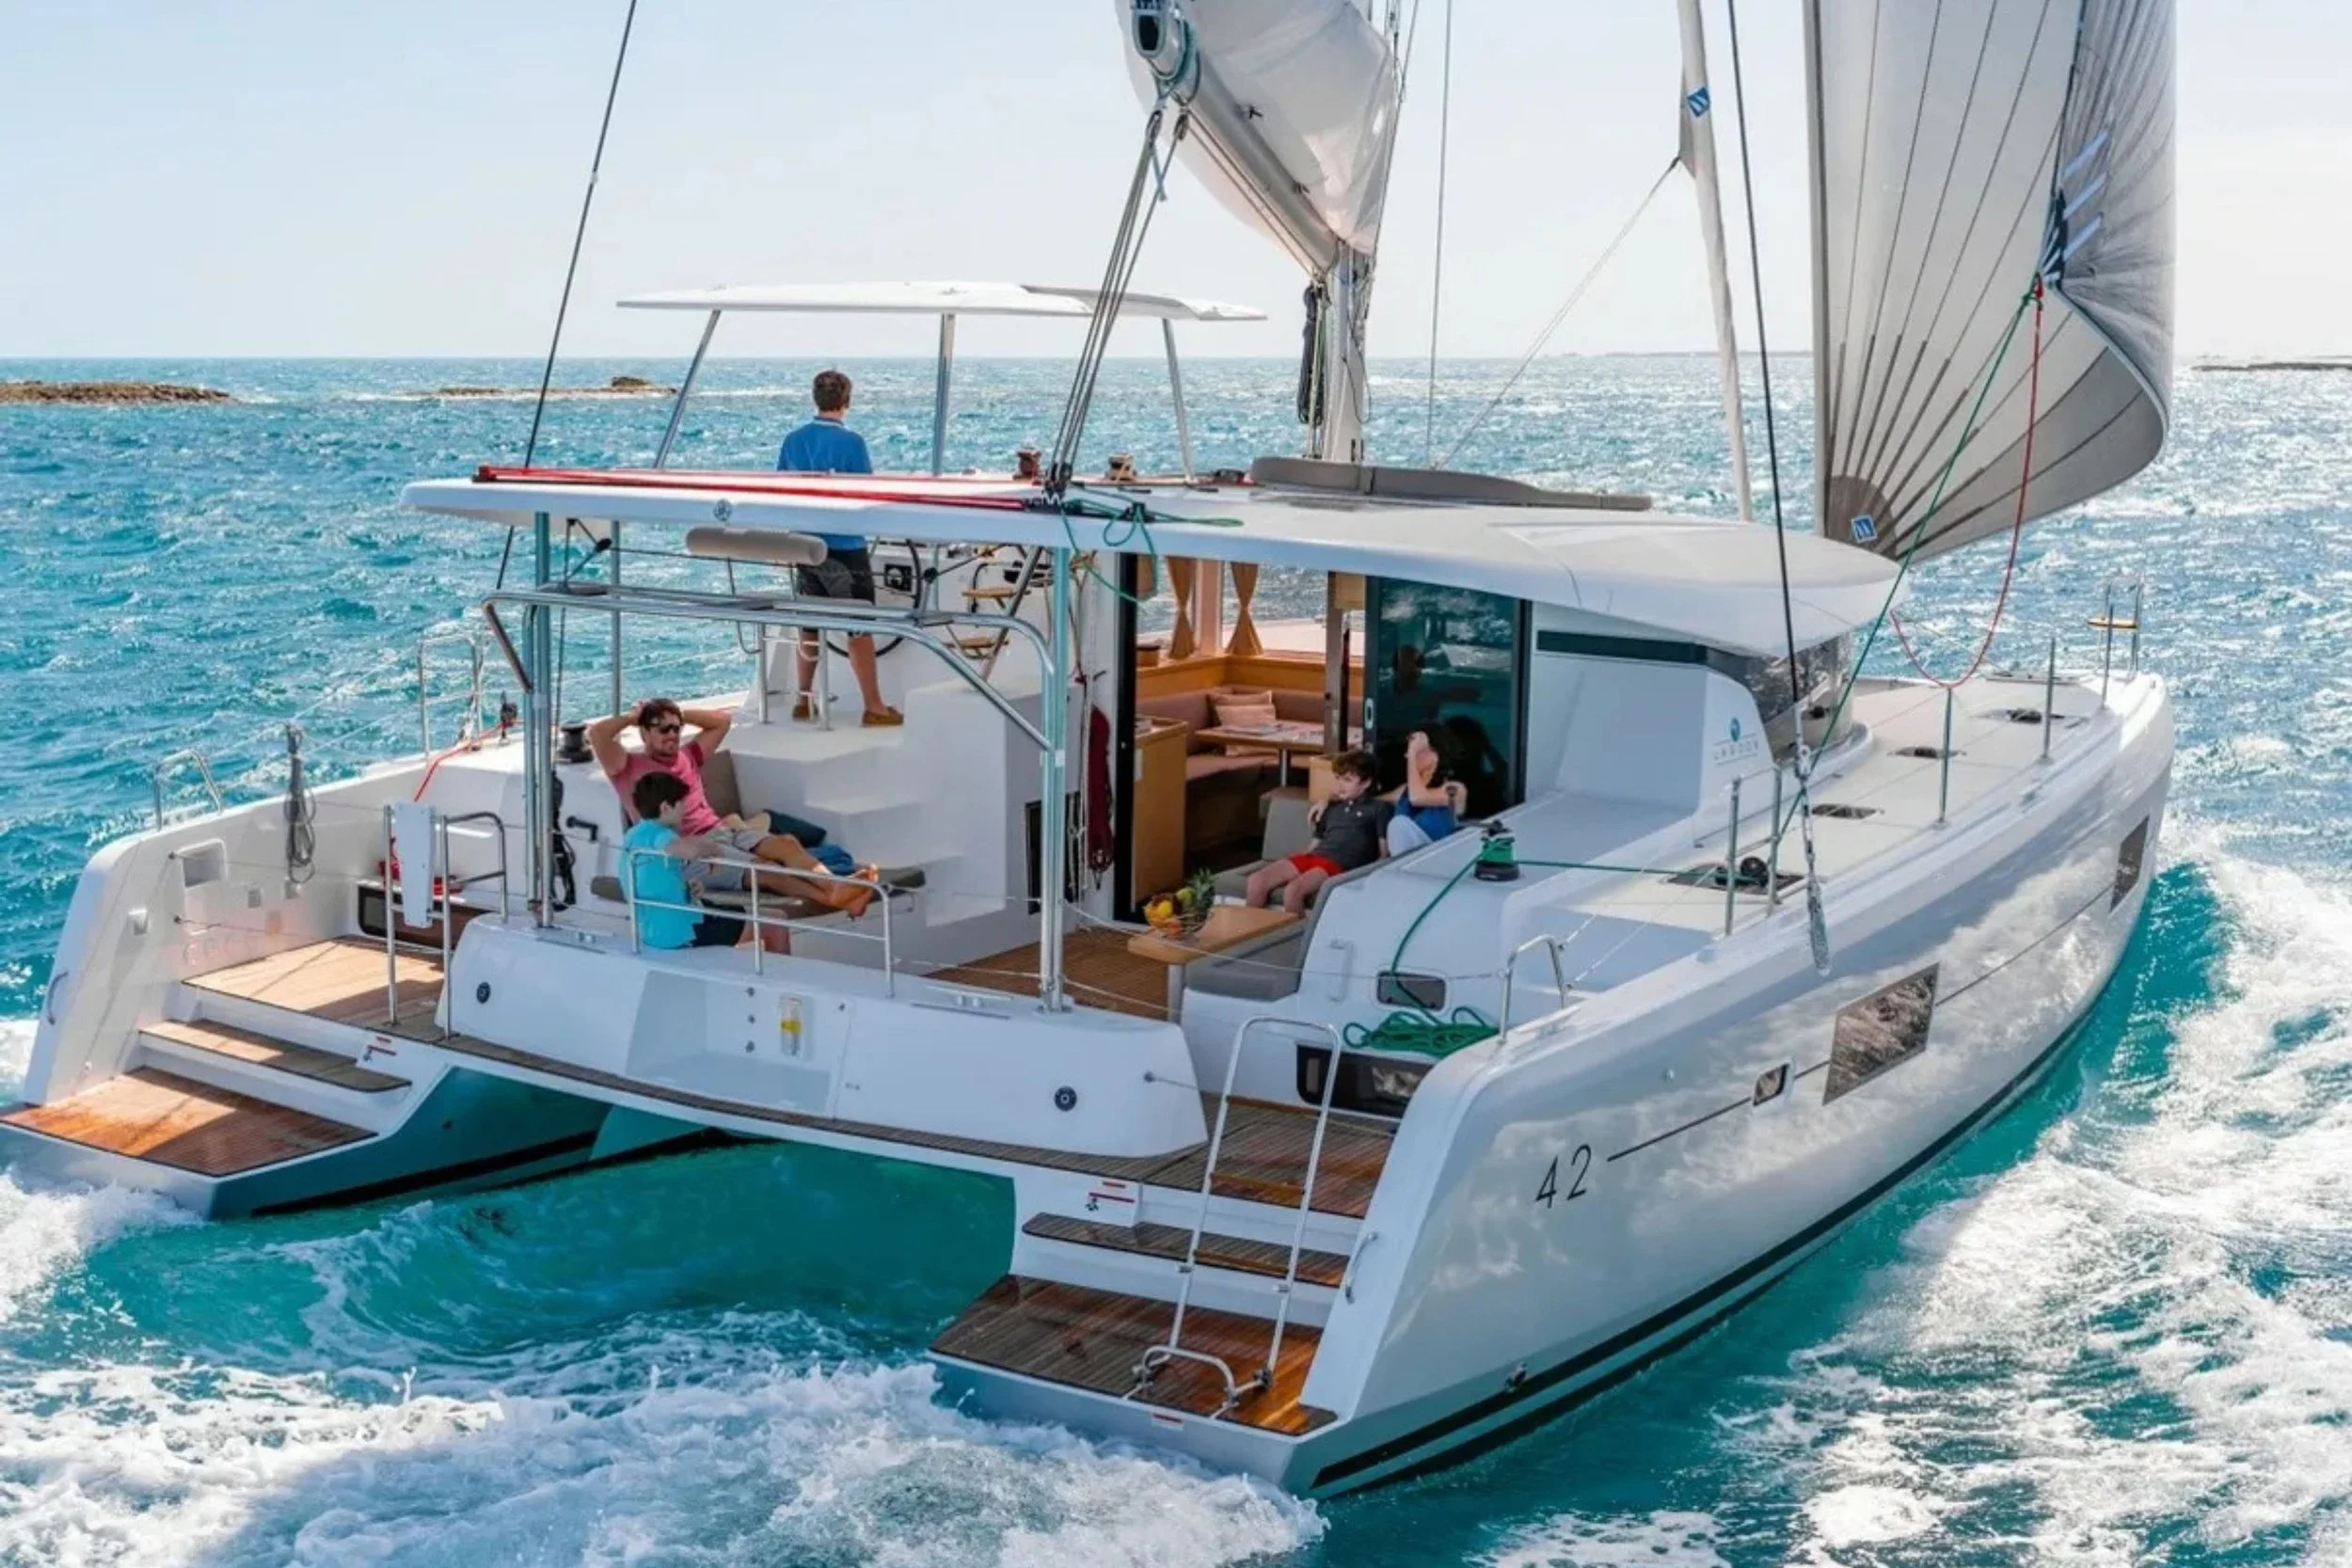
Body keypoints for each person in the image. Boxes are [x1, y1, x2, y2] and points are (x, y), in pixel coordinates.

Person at [590, 697, 875, 911]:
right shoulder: (626, 767)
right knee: (763, 868)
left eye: (676, 728)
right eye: (663, 729)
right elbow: (597, 735)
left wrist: (677, 712)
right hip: (686, 849)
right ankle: (832, 898)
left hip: (723, 831)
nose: (672, 734)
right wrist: (633, 717)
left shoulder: (688, 755)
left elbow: (722, 721)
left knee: (786, 843)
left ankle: (836, 885)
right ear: (644, 733)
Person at [624, 773, 877, 947]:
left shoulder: (633, 836)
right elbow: (680, 848)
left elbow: (651, 880)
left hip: (659, 927)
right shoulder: (661, 835)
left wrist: (687, 888)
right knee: (775, 923)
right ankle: (780, 989)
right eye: (681, 805)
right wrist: (711, 849)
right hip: (682, 929)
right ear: (666, 808)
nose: (685, 811)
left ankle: (836, 892)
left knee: (773, 905)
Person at [778, 369, 900, 727]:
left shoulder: (793, 441)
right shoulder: (853, 443)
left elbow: (780, 487)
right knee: (858, 626)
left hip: (806, 545)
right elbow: (866, 493)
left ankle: (803, 700)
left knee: (809, 624)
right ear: (846, 401)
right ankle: (873, 705)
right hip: (845, 547)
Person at [1245, 750, 1391, 915]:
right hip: (1316, 856)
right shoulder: (1331, 806)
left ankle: (1297, 933)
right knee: (1256, 881)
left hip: (1341, 863)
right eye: (1338, 778)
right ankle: (1252, 930)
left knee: (1293, 891)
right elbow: (1315, 843)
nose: (1340, 785)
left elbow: (1383, 854)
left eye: (1348, 780)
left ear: (1366, 783)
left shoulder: (1378, 808)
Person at [1385, 730, 1468, 855]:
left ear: (1434, 755)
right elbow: (1374, 801)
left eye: (1417, 751)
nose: (1407, 756)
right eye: (1409, 751)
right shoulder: (1406, 790)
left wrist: (1412, 754)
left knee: (1398, 824)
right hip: (1406, 861)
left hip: (1438, 858)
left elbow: (1417, 798)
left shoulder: (1455, 789)